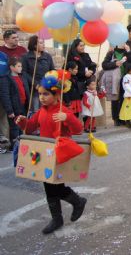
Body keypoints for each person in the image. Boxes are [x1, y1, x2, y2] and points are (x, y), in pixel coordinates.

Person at [15, 70, 86, 235]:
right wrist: (22, 121)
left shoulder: (63, 110)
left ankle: (77, 202)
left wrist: (66, 118)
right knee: (49, 186)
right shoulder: (41, 111)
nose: (41, 97)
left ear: (56, 95)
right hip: (45, 154)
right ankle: (57, 218)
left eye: (46, 94)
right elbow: (31, 127)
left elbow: (78, 129)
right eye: (40, 94)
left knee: (56, 186)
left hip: (60, 152)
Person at [101, 44, 131, 126]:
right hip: (115, 79)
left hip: (126, 78)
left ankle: (124, 117)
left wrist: (129, 52)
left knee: (125, 99)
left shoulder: (127, 52)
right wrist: (115, 64)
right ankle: (116, 118)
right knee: (115, 99)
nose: (123, 43)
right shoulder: (111, 52)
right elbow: (104, 65)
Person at [0, 57, 29, 152]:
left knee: (22, 126)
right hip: (14, 107)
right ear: (12, 67)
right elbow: (5, 95)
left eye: (21, 66)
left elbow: (27, 88)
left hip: (23, 105)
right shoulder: (6, 79)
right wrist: (9, 110)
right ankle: (15, 146)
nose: (21, 68)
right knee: (14, 127)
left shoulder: (22, 76)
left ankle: (21, 144)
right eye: (19, 66)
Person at [21, 36, 55, 113]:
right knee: (36, 110)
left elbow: (52, 70)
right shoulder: (25, 57)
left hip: (46, 87)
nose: (43, 45)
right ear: (34, 45)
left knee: (47, 110)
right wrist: (35, 83)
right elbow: (24, 73)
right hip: (34, 89)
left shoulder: (47, 56)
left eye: (43, 43)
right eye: (41, 43)